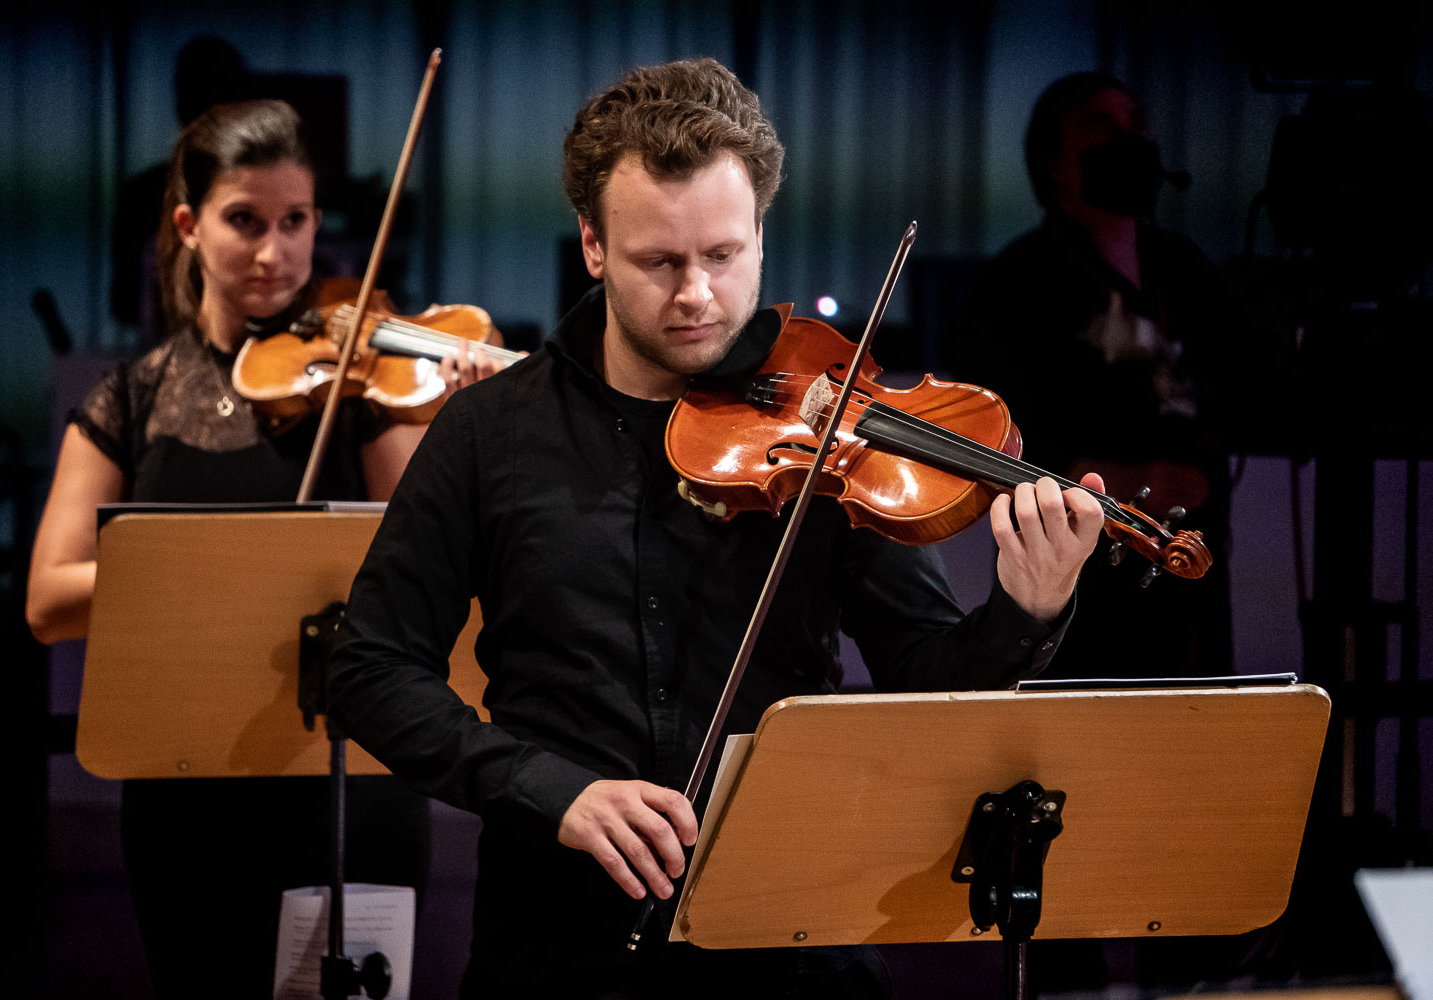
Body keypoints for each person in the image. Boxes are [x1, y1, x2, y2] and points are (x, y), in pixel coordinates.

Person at [327, 58, 1105, 998]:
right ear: (592, 244)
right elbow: (370, 670)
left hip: (790, 940)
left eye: (724, 256)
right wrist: (548, 790)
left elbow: (924, 673)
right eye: (659, 261)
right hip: (557, 941)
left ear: (760, 239)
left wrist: (1027, 608)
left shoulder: (827, 435)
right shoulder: (490, 433)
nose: (696, 293)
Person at [26, 99, 501, 998]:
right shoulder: (132, 400)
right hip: (185, 790)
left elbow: (434, 559)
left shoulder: (361, 385)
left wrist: (439, 412)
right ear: (188, 226)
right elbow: (48, 600)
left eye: (295, 222)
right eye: (244, 221)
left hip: (351, 778)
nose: (275, 253)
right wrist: (208, 573)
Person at [954, 72, 1233, 682]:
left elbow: (1229, 393)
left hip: (1189, 552)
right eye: (1102, 127)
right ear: (1053, 162)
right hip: (1079, 565)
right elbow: (995, 432)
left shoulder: (1183, 267)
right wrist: (1117, 477)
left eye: (1135, 125)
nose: (1129, 139)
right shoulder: (1017, 282)